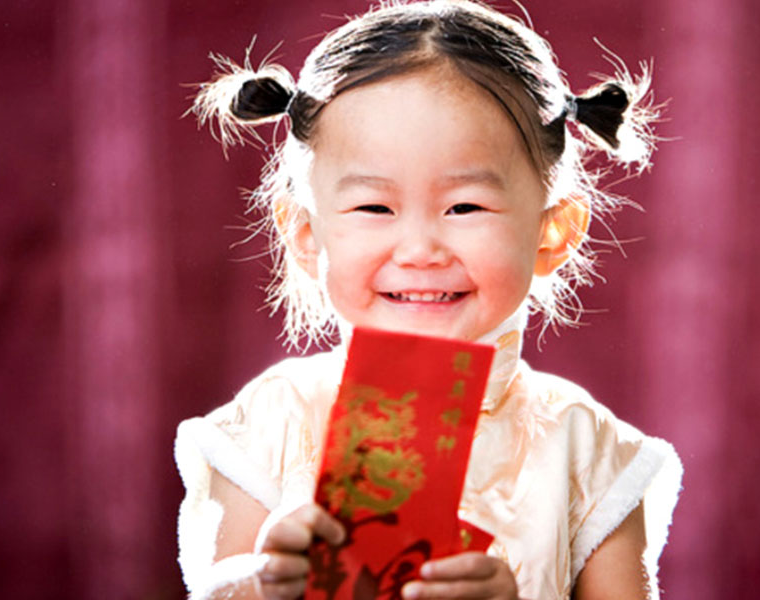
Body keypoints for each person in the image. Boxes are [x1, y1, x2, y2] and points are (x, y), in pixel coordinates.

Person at [174, 1, 682, 598]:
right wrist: (261, 585)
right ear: (306, 236)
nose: (419, 249)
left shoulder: (588, 455)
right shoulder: (271, 424)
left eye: (464, 207)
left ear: (554, 231)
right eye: (373, 207)